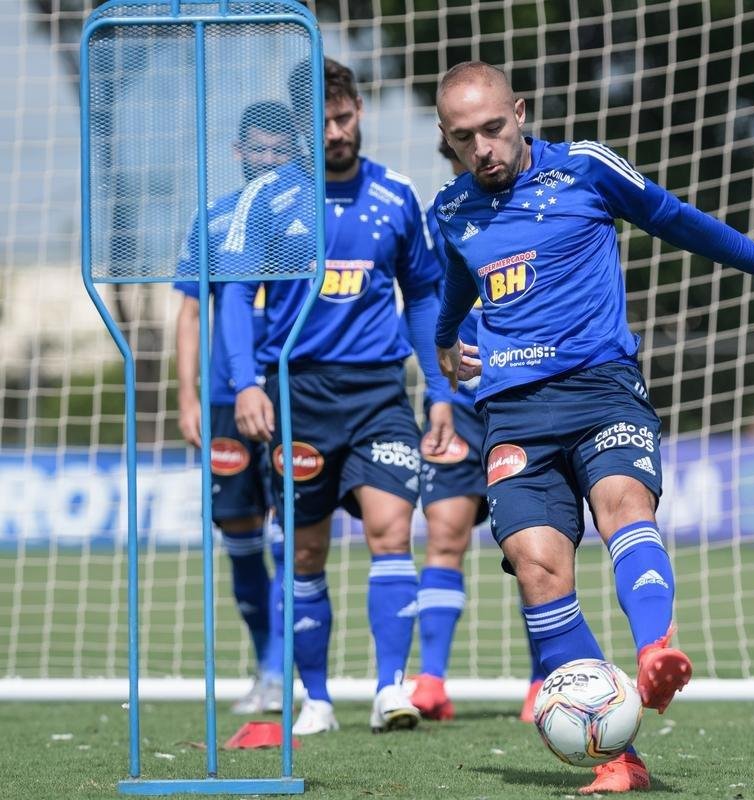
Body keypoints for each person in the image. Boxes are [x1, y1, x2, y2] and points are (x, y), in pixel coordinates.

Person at [433, 62, 754, 794]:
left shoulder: (587, 170)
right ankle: (619, 758)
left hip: (602, 391)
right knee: (538, 567)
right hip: (513, 416)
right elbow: (454, 284)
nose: (484, 148)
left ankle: (657, 651)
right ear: (447, 140)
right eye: (464, 137)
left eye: (494, 129)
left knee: (624, 505)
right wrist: (446, 341)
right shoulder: (451, 211)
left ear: (522, 113)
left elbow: (674, 217)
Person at [218, 57, 453, 736]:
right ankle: (315, 698)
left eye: (344, 117)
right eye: (319, 123)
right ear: (298, 128)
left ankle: (389, 689)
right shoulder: (267, 200)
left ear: (359, 113)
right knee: (307, 553)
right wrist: (245, 384)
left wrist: (437, 390)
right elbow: (235, 295)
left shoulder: (397, 195)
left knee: (390, 532)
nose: (335, 133)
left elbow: (425, 292)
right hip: (300, 396)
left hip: (380, 392)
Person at [405, 138, 546, 723]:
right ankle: (432, 679)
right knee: (444, 536)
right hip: (459, 406)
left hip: (522, 399)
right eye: (458, 152)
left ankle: (545, 680)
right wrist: (439, 394)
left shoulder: (540, 208)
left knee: (532, 547)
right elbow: (421, 311)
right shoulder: (441, 220)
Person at [173, 101, 298, 715]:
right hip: (225, 399)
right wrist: (187, 395)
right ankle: (264, 662)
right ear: (238, 152)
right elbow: (192, 312)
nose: (269, 160)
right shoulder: (214, 218)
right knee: (239, 533)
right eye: (259, 149)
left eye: (280, 149)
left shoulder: (306, 218)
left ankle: (283, 668)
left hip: (288, 393)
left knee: (291, 533)